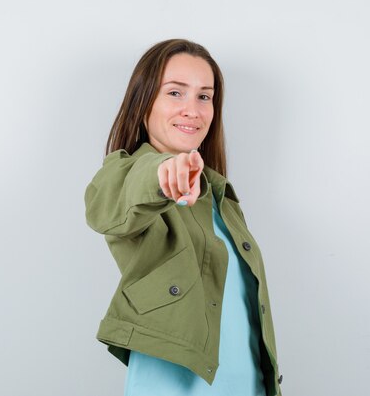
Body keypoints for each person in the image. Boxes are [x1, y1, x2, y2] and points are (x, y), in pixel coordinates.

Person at [84, 39, 283, 396]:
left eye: (204, 96)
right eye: (175, 93)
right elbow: (113, 202)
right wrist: (166, 173)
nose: (192, 109)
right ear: (143, 102)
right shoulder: (127, 175)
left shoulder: (220, 197)